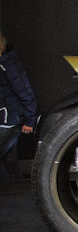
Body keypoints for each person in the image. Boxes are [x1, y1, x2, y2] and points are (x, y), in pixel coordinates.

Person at [0, 33, 37, 180]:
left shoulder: (7, 64)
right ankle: (16, 183)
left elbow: (24, 90)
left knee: (7, 154)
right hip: (8, 118)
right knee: (10, 157)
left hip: (9, 118)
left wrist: (29, 120)